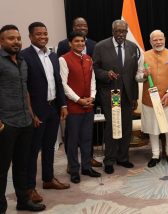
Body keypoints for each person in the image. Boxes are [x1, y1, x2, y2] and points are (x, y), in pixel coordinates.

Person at [21, 22, 69, 203]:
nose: (43, 37)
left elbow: (58, 82)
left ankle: (48, 179)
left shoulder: (54, 55)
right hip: (36, 111)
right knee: (33, 150)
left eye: (45, 33)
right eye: (38, 34)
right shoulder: (24, 56)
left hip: (53, 108)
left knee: (49, 147)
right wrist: (31, 113)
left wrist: (63, 105)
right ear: (31, 36)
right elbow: (23, 87)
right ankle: (29, 188)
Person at [0, 24, 46, 213]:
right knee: (2, 169)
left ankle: (23, 201)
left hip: (25, 121)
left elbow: (25, 90)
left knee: (23, 165)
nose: (16, 42)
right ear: (2, 41)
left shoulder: (22, 61)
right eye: (11, 38)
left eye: (18, 38)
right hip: (6, 123)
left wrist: (32, 114)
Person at [93, 20, 143, 174]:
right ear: (112, 31)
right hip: (110, 94)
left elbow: (135, 74)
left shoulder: (133, 47)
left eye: (123, 31)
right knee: (112, 127)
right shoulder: (100, 46)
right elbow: (94, 68)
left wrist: (134, 97)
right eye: (118, 31)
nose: (121, 34)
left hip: (128, 95)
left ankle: (123, 158)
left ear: (127, 32)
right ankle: (109, 160)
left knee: (126, 127)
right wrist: (106, 74)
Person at [57, 17, 101, 169]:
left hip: (88, 104)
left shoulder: (89, 57)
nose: (80, 44)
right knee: (73, 138)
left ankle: (87, 167)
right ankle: (73, 169)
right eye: (77, 41)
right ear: (70, 43)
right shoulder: (63, 58)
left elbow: (93, 79)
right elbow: (63, 83)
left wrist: (92, 97)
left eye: (82, 41)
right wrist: (78, 100)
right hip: (74, 105)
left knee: (87, 137)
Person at [136, 30, 168, 167]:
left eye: (160, 39)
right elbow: (137, 77)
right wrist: (143, 75)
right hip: (150, 101)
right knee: (153, 128)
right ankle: (155, 155)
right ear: (150, 42)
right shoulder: (144, 56)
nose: (158, 42)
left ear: (164, 39)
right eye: (155, 40)